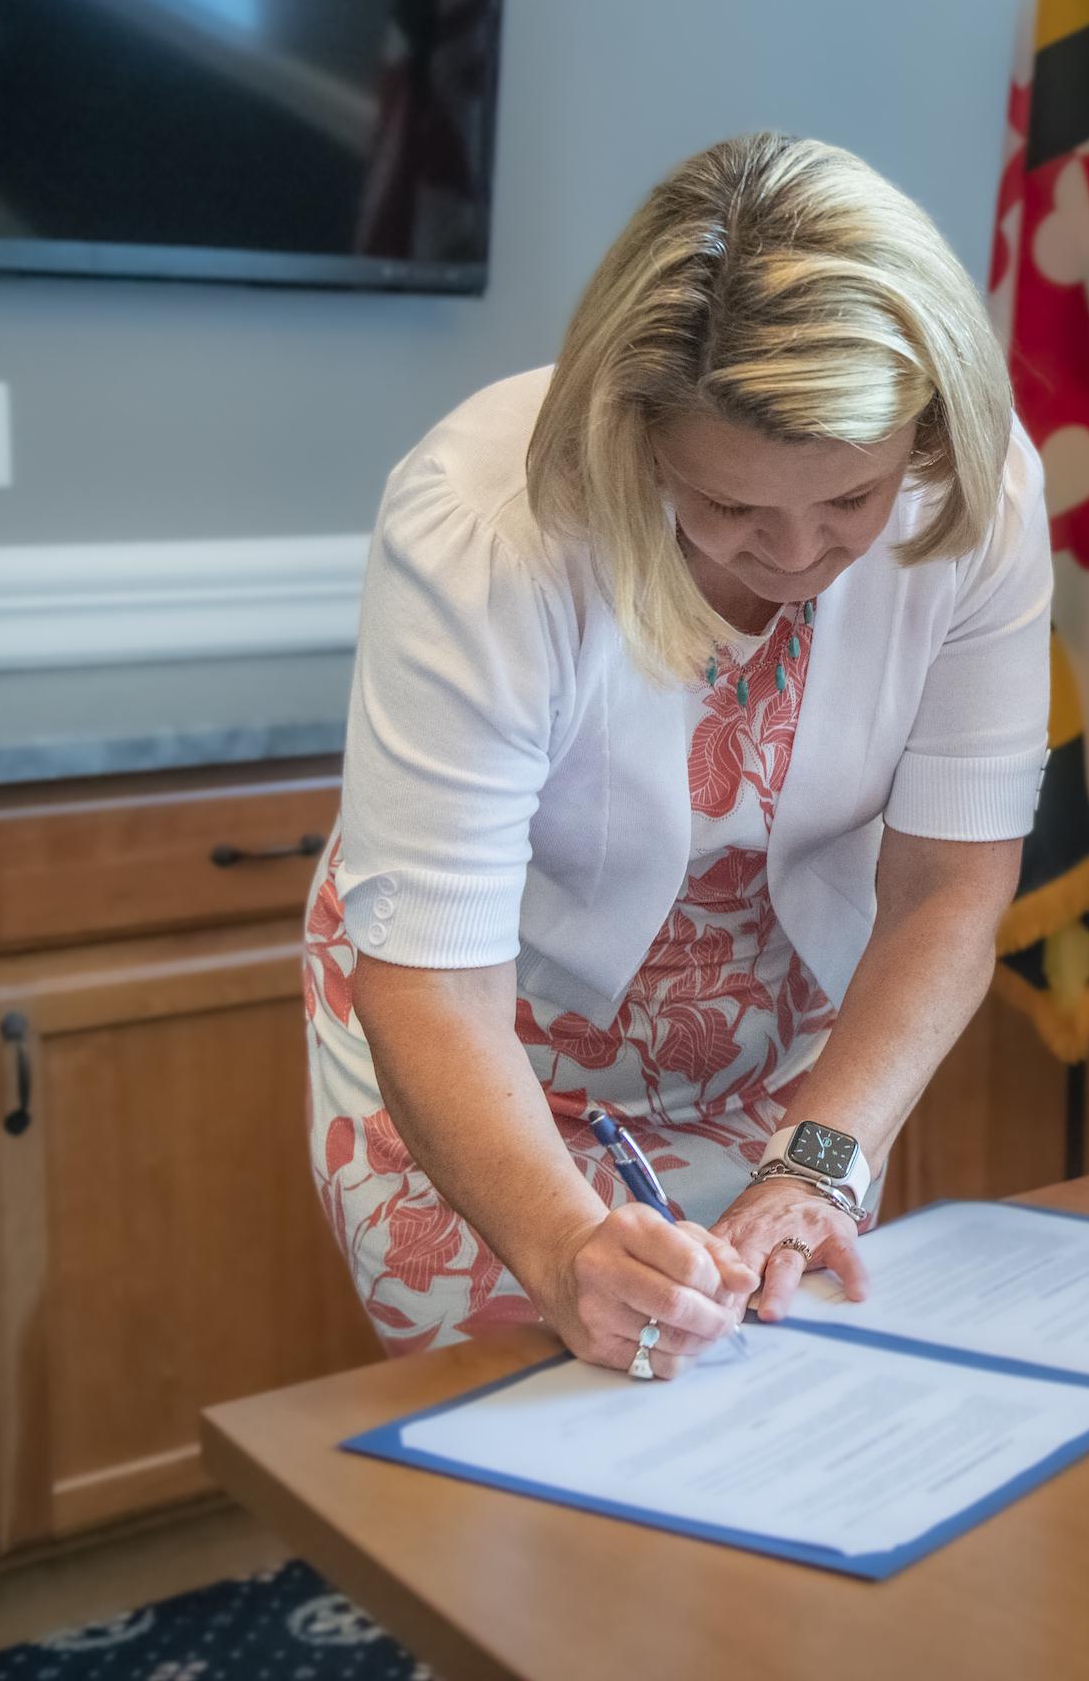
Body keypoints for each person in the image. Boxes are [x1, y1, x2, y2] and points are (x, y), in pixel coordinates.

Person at [301, 133, 1051, 1374]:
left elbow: (947, 890)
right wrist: (558, 1246)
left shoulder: (973, 486)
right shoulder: (489, 528)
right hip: (480, 1056)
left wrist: (817, 1161)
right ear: (637, 436)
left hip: (787, 1047)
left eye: (849, 502)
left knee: (766, 1436)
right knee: (529, 1475)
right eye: (732, 507)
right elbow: (433, 983)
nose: (801, 553)